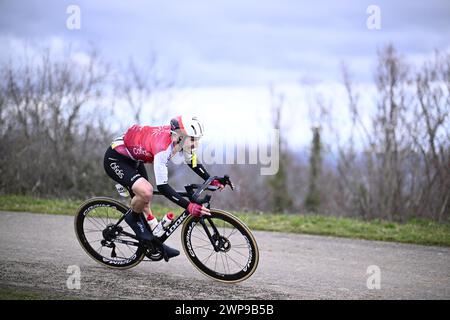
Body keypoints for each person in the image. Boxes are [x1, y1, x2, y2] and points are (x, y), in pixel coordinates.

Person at [103, 115, 225, 261]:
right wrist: (189, 206)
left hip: (134, 159)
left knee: (145, 200)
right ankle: (133, 218)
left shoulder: (180, 139)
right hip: (116, 159)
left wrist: (210, 179)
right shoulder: (163, 149)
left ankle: (154, 241)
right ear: (180, 137)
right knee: (146, 191)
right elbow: (163, 187)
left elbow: (191, 161)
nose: (196, 144)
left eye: (198, 139)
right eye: (193, 139)